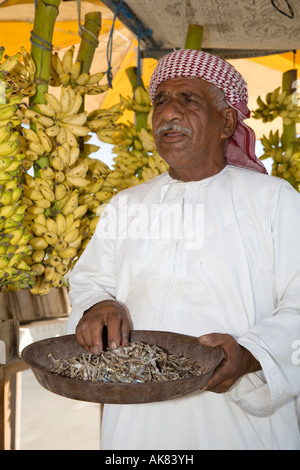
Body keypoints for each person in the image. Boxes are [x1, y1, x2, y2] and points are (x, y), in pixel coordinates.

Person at [67, 49, 300, 450]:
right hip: (136, 423)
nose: (167, 114)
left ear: (227, 121)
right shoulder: (128, 204)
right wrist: (97, 306)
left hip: (239, 419)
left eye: (188, 100)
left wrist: (250, 354)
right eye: (160, 101)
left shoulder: (274, 200)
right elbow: (89, 281)